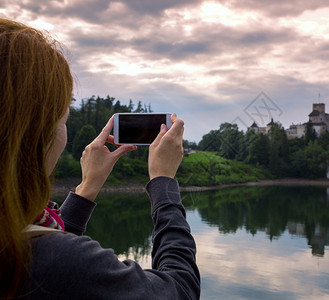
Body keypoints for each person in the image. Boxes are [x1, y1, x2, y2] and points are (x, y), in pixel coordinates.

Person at [0, 18, 200, 299]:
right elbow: (180, 289)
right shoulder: (57, 262)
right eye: (64, 119)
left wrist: (86, 189)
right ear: (35, 133)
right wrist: (163, 181)